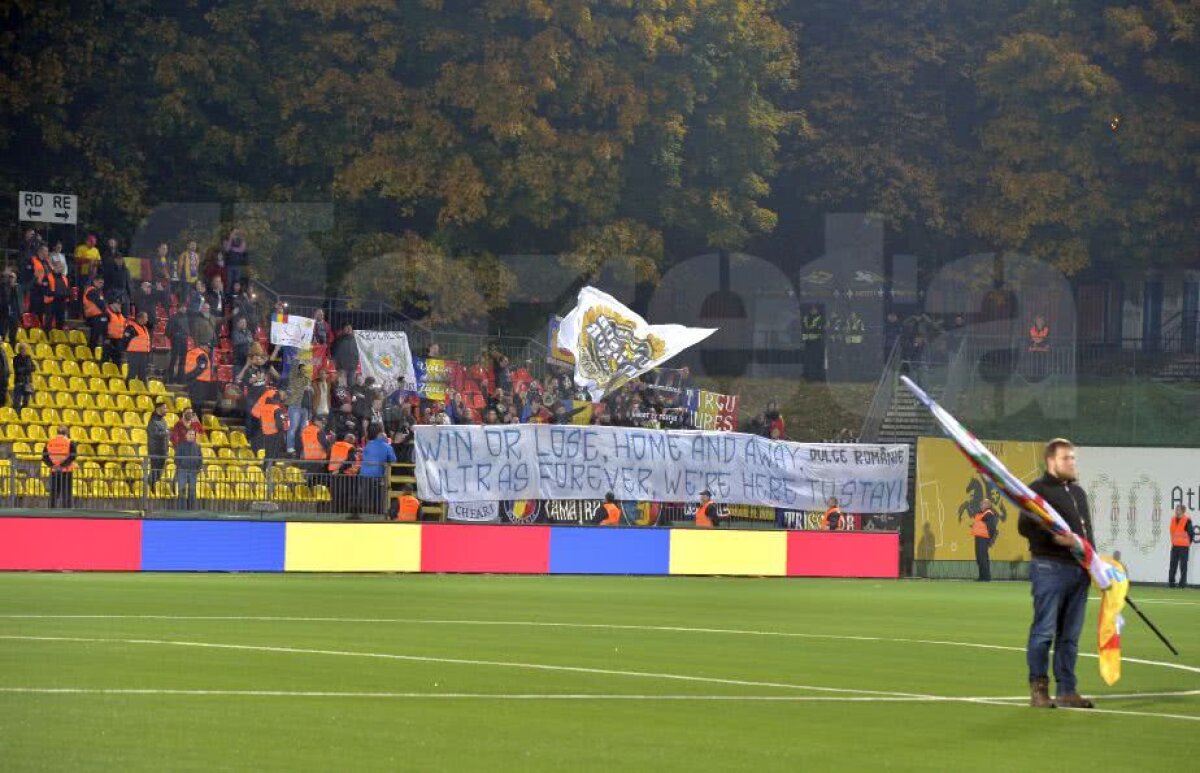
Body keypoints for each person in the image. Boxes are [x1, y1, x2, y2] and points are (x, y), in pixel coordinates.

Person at [1019, 438, 1095, 710]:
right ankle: (1039, 689)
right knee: (1044, 631)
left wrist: (1094, 565)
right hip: (1050, 567)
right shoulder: (1037, 491)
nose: (1072, 462)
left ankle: (1067, 690)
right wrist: (1053, 538)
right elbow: (1025, 526)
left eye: (1073, 458)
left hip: (1079, 571)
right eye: (1066, 458)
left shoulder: (1078, 493)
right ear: (1050, 461)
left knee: (1070, 636)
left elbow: (1086, 534)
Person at [360, 428, 398, 514]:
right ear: (385, 438)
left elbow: (364, 455)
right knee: (378, 495)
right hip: (378, 475)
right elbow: (393, 460)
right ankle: (378, 513)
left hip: (364, 474)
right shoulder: (388, 447)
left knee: (365, 494)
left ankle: (365, 513)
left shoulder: (369, 444)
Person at [42, 426, 76, 509]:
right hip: (66, 471)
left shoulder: (49, 442)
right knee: (66, 493)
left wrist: (52, 465)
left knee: (54, 492)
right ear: (66, 432)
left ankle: (51, 510)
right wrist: (62, 465)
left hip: (54, 471)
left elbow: (44, 457)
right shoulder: (70, 442)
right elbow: (72, 456)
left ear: (57, 432)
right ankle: (67, 511)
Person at [328, 432, 361, 514]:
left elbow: (328, 458)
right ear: (352, 441)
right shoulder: (350, 448)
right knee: (344, 496)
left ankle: (335, 513)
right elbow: (350, 462)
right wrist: (340, 470)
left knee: (335, 495)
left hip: (333, 474)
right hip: (344, 475)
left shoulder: (334, 445)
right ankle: (343, 513)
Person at [175, 428, 203, 510]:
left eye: (193, 435)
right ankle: (181, 509)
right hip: (182, 471)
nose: (191, 436)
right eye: (190, 434)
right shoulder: (180, 445)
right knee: (181, 491)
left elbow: (200, 459)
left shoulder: (197, 447)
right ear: (186, 435)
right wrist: (180, 467)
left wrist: (198, 468)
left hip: (193, 471)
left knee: (192, 491)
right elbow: (176, 458)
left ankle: (191, 510)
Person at [971, 499, 999, 582]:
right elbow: (981, 524)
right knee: (979, 557)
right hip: (979, 537)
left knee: (983, 557)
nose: (980, 505)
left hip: (983, 538)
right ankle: (982, 576)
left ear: (987, 505)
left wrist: (989, 539)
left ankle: (986, 577)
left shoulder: (989, 514)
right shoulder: (981, 514)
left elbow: (992, 527)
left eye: (982, 503)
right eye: (981, 503)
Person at [1168, 504, 1195, 589]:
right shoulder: (1173, 519)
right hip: (1175, 546)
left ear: (1183, 511)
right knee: (1173, 564)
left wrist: (1187, 543)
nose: (1176, 511)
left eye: (1178, 510)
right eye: (1176, 509)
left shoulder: (1187, 520)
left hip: (1183, 547)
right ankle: (1171, 582)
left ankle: (1182, 584)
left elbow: (1191, 534)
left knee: (1183, 566)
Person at [183, 343, 214, 414]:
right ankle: (197, 419)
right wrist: (191, 376)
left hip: (192, 380)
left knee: (194, 401)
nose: (209, 349)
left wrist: (188, 377)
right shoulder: (202, 354)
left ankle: (195, 417)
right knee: (197, 403)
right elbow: (200, 369)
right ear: (203, 346)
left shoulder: (193, 352)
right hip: (199, 382)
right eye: (208, 347)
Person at [40, 261, 70, 331]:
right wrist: (54, 293)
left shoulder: (65, 278)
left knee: (60, 322)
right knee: (48, 321)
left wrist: (67, 295)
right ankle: (47, 336)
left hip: (61, 302)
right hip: (51, 302)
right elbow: (44, 289)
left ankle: (58, 336)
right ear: (55, 267)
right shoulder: (47, 277)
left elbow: (68, 289)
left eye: (62, 267)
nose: (61, 268)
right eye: (60, 266)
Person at [146, 401, 170, 487]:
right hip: (156, 451)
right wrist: (165, 432)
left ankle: (153, 487)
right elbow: (154, 434)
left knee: (159, 472)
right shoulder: (153, 421)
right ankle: (149, 487)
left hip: (162, 450)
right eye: (165, 408)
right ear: (158, 409)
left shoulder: (162, 420)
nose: (167, 410)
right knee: (155, 471)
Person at [123, 311, 152, 382]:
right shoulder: (131, 327)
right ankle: (128, 386)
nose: (147, 320)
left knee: (142, 374)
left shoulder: (144, 328)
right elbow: (125, 339)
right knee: (132, 373)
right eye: (146, 317)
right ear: (140, 318)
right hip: (134, 353)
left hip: (143, 354)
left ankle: (142, 388)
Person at [82, 276, 109, 350]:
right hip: (93, 317)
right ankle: (91, 349)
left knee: (101, 333)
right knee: (95, 335)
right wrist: (106, 312)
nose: (101, 285)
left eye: (102, 283)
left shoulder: (97, 292)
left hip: (98, 316)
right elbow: (100, 303)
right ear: (94, 281)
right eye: (100, 282)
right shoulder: (92, 291)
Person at [166, 310, 190, 383]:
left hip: (182, 340)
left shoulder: (185, 317)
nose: (184, 309)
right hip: (177, 341)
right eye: (183, 307)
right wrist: (174, 337)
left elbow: (168, 331)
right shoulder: (174, 317)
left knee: (180, 360)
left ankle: (178, 379)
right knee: (175, 359)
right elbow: (168, 331)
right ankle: (172, 379)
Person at [12, 343, 35, 412]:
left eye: (25, 349)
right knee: (17, 401)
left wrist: (26, 369)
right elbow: (18, 370)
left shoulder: (28, 358)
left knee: (26, 401)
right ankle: (16, 413)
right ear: (20, 350)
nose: (25, 350)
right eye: (23, 349)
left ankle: (22, 413)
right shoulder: (16, 358)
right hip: (19, 382)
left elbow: (34, 367)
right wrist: (27, 368)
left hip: (27, 382)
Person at [0, 270, 20, 345]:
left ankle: (12, 349)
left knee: (13, 336)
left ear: (16, 279)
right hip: (4, 314)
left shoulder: (18, 288)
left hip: (14, 315)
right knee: (2, 334)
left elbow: (18, 303)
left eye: (12, 277)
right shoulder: (3, 287)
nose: (11, 278)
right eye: (9, 277)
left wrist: (19, 315)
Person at [104, 301, 127, 367]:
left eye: (120, 304)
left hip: (119, 339)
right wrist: (106, 337)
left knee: (117, 358)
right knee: (106, 357)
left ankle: (117, 370)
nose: (120, 306)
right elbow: (103, 327)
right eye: (118, 304)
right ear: (112, 304)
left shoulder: (121, 315)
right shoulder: (107, 314)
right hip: (109, 339)